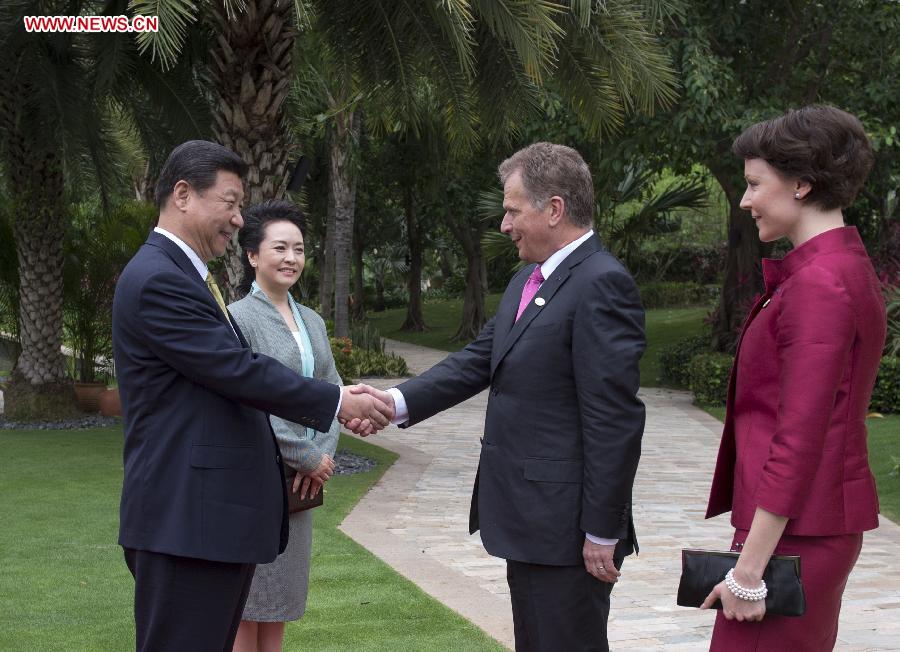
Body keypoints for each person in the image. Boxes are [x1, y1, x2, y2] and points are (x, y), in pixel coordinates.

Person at [352, 142, 646, 652]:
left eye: (512, 211)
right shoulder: (527, 281)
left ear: (553, 209)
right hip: (530, 518)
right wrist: (393, 403)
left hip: (567, 529)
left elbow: (614, 420)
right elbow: (475, 361)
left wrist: (602, 528)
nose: (505, 226)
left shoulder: (602, 284)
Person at [112, 140, 391, 651]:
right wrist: (335, 401)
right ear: (183, 195)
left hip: (204, 523)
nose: (240, 219)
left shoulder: (181, 275)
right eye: (231, 202)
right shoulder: (159, 280)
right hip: (185, 524)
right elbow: (238, 371)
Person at [701, 105, 885, 650]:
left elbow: (800, 436)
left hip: (792, 538)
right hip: (797, 531)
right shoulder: (837, 269)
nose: (746, 199)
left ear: (802, 184)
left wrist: (749, 571)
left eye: (755, 184)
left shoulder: (821, 283)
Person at [227, 200, 341, 652]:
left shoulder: (311, 319)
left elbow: (330, 388)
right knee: (248, 603)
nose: (291, 258)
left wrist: (323, 454)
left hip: (301, 484)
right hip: (257, 478)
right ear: (253, 255)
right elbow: (250, 398)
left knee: (282, 603)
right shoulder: (237, 319)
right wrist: (307, 455)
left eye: (298, 248)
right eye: (280, 248)